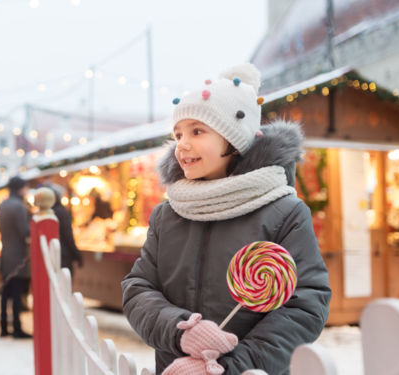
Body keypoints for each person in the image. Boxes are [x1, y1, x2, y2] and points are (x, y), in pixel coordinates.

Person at [121, 63, 331, 374]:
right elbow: (138, 287)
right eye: (178, 134)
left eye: (197, 131)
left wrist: (230, 366)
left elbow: (304, 305)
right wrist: (181, 330)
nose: (183, 145)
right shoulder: (168, 215)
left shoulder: (284, 211)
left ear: (234, 140)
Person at [0, 176, 32, 339]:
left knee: (5, 293)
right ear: (20, 188)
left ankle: (4, 326)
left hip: (5, 253)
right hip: (18, 255)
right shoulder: (19, 206)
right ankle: (17, 327)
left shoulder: (3, 205)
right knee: (17, 293)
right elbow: (25, 231)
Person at [48, 184, 83, 276]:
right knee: (64, 284)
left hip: (49, 256)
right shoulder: (61, 212)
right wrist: (77, 256)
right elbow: (68, 236)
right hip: (62, 256)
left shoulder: (47, 212)